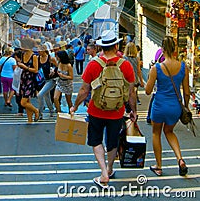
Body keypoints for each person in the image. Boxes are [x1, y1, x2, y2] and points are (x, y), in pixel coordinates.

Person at [70, 29, 137, 188]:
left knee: (96, 140)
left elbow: (84, 89)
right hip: (117, 111)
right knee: (112, 142)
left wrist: (75, 106)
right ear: (116, 45)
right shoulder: (125, 64)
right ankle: (110, 168)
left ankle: (103, 172)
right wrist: (133, 110)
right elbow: (131, 91)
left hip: (96, 110)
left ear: (101, 47)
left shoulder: (94, 64)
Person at [145, 35, 190, 177]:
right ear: (175, 49)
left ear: (162, 49)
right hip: (175, 107)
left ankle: (158, 166)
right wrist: (186, 106)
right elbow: (187, 92)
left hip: (159, 105)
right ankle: (180, 159)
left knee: (156, 133)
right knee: (169, 132)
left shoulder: (156, 68)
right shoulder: (183, 67)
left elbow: (147, 91)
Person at [17, 37, 39, 123]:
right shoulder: (23, 55)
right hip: (24, 79)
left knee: (23, 102)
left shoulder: (34, 56)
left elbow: (36, 70)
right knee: (27, 101)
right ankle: (30, 120)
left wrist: (25, 67)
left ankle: (36, 110)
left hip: (31, 80)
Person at [37, 45, 58, 119]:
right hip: (42, 80)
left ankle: (39, 113)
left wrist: (53, 70)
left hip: (50, 80)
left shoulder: (50, 58)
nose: (38, 52)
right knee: (46, 96)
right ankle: (51, 110)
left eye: (39, 50)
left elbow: (58, 67)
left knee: (40, 95)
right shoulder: (38, 58)